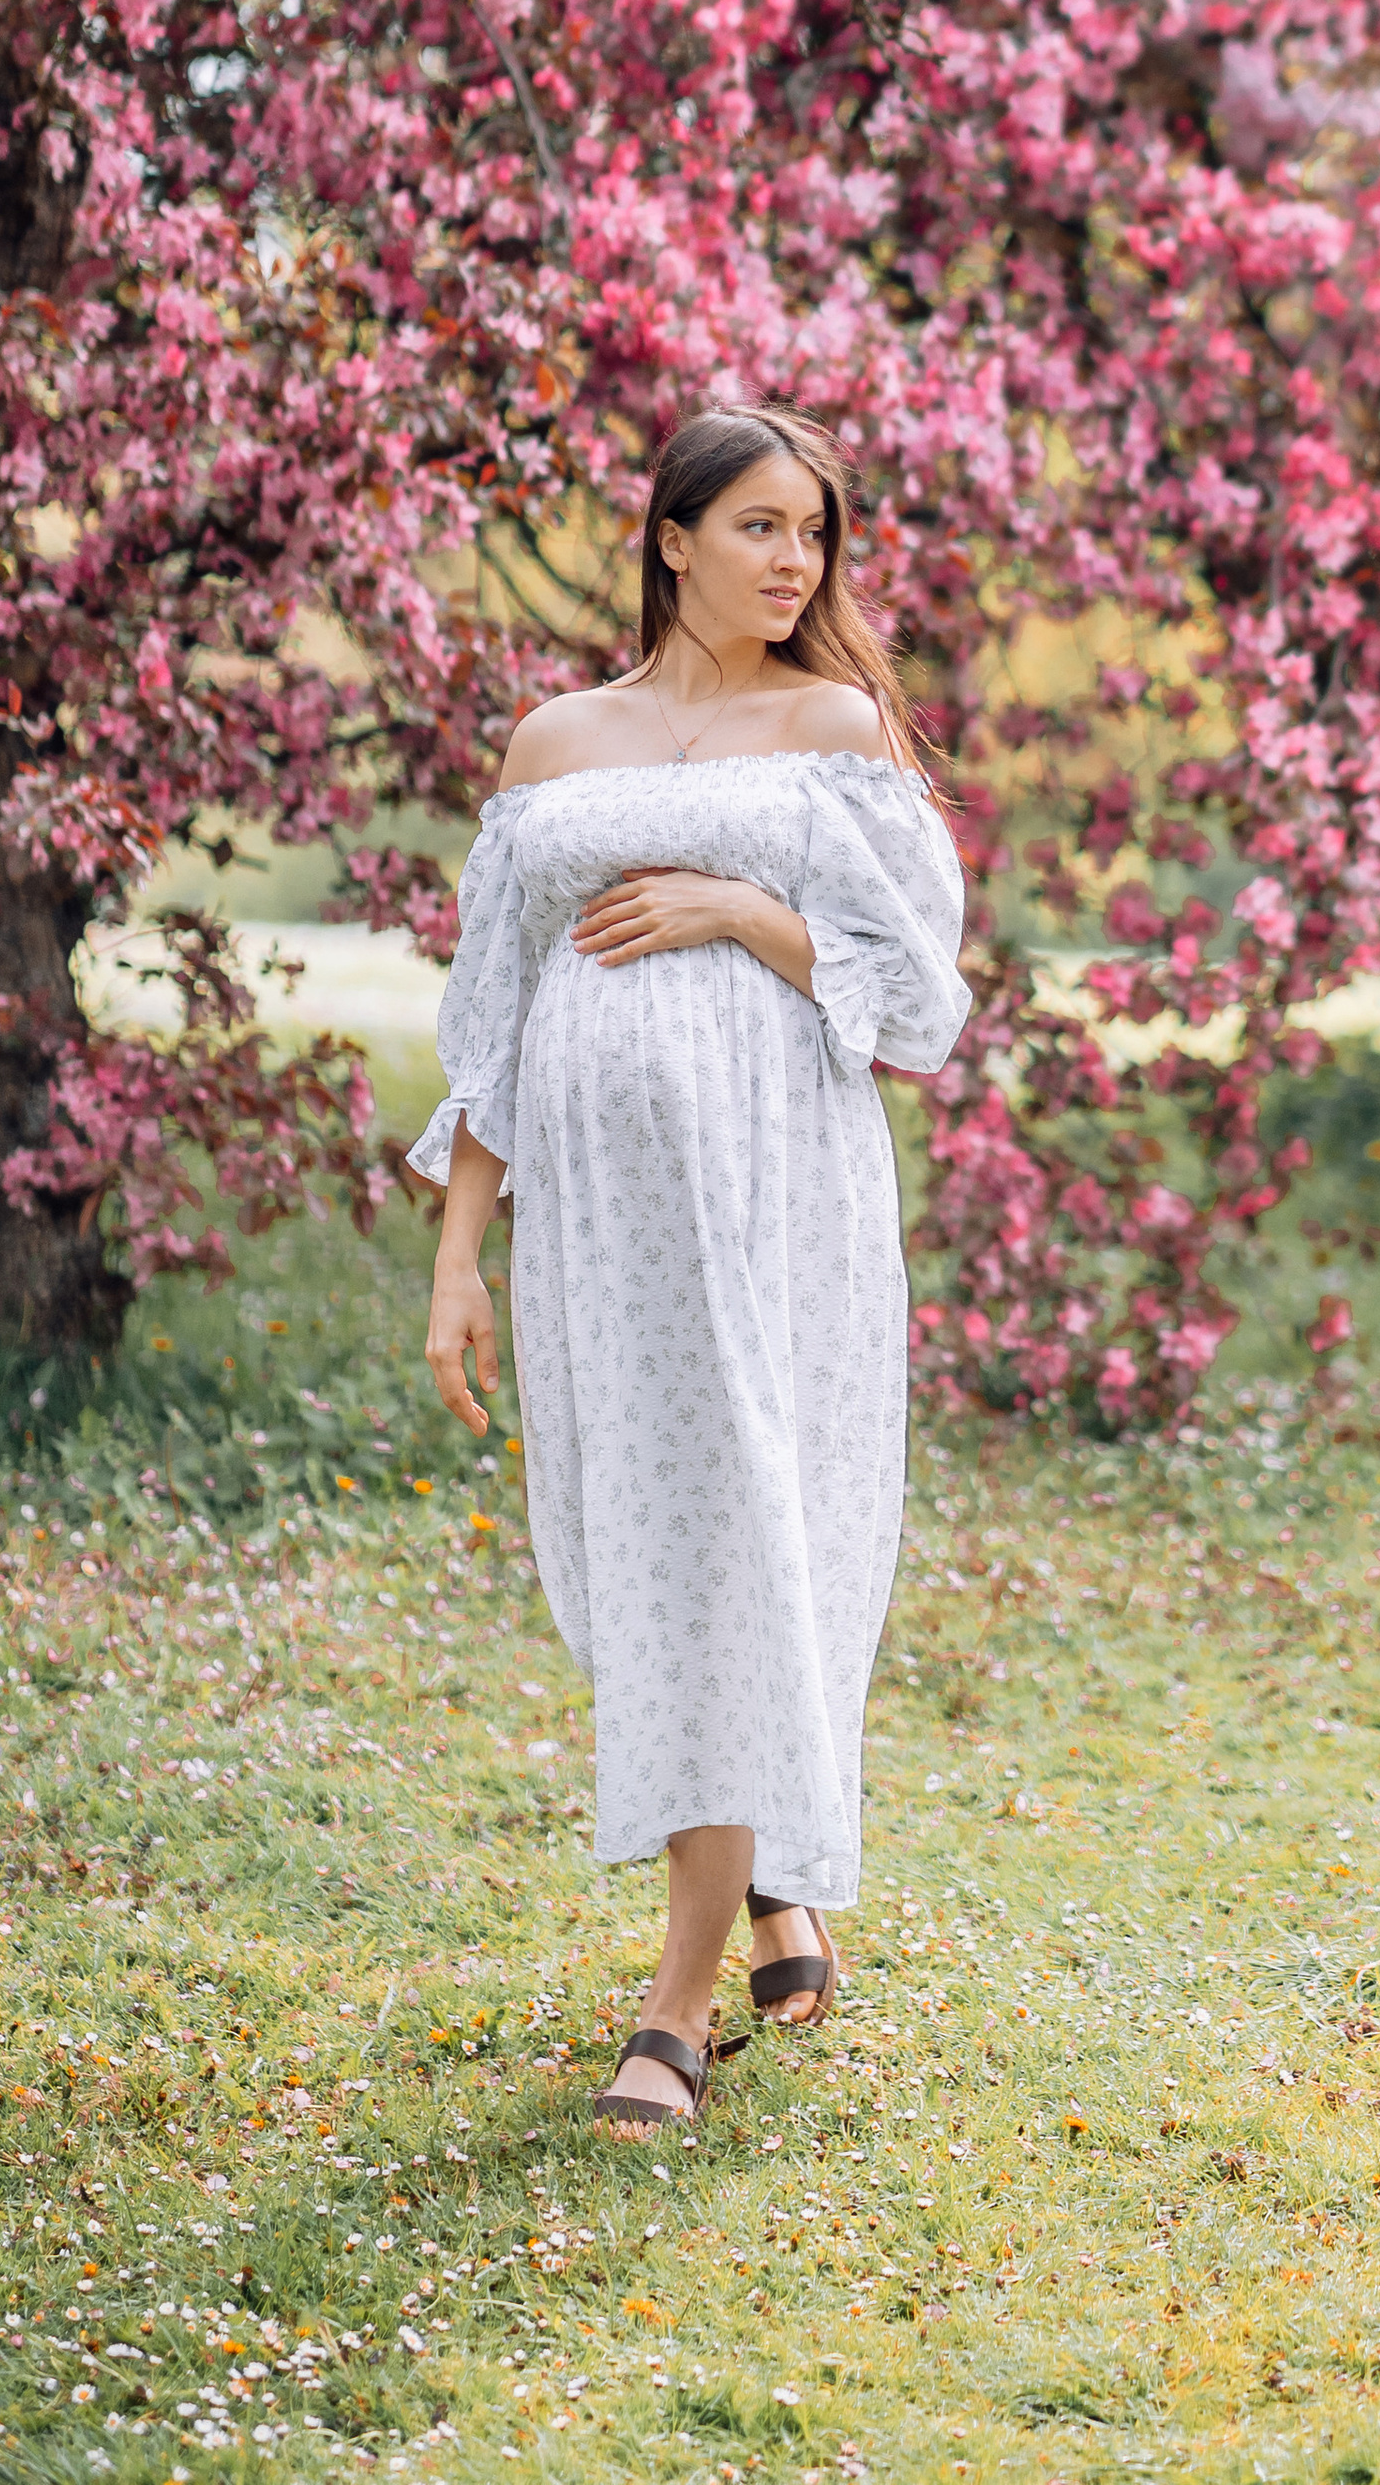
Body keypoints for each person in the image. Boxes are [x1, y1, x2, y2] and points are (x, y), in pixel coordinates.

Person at [412, 407, 970, 2135]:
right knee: (657, 1550)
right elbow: (493, 1028)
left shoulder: (834, 730)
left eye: (814, 534)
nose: (794, 563)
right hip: (601, 1232)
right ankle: (773, 1889)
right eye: (759, 528)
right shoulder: (556, 745)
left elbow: (918, 992)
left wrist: (737, 912)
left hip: (776, 1204)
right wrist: (457, 1264)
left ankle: (672, 2007)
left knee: (746, 1539)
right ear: (671, 539)